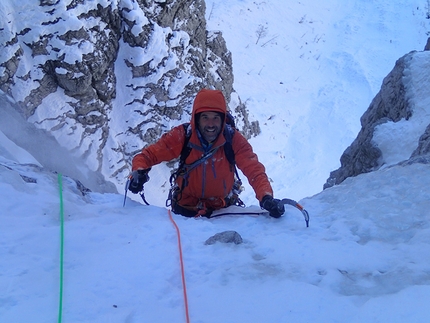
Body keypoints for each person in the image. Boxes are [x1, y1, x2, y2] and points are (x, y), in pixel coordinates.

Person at [129, 89, 285, 218]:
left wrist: (266, 197)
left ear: (223, 119)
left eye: (216, 118)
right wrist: (139, 171)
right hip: (186, 210)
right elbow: (148, 155)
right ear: (196, 118)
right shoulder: (183, 135)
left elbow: (254, 170)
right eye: (205, 118)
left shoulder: (233, 139)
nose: (210, 124)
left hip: (222, 211)